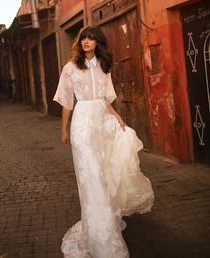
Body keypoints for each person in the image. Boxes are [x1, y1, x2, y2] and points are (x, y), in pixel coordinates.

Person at [53, 26, 154, 258]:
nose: (86, 42)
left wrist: (117, 117)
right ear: (79, 43)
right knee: (91, 176)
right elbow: (67, 102)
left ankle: (105, 220)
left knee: (104, 172)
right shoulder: (70, 68)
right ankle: (101, 236)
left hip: (102, 122)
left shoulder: (104, 66)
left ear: (98, 43)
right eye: (83, 39)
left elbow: (106, 99)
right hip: (82, 125)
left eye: (91, 39)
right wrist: (64, 129)